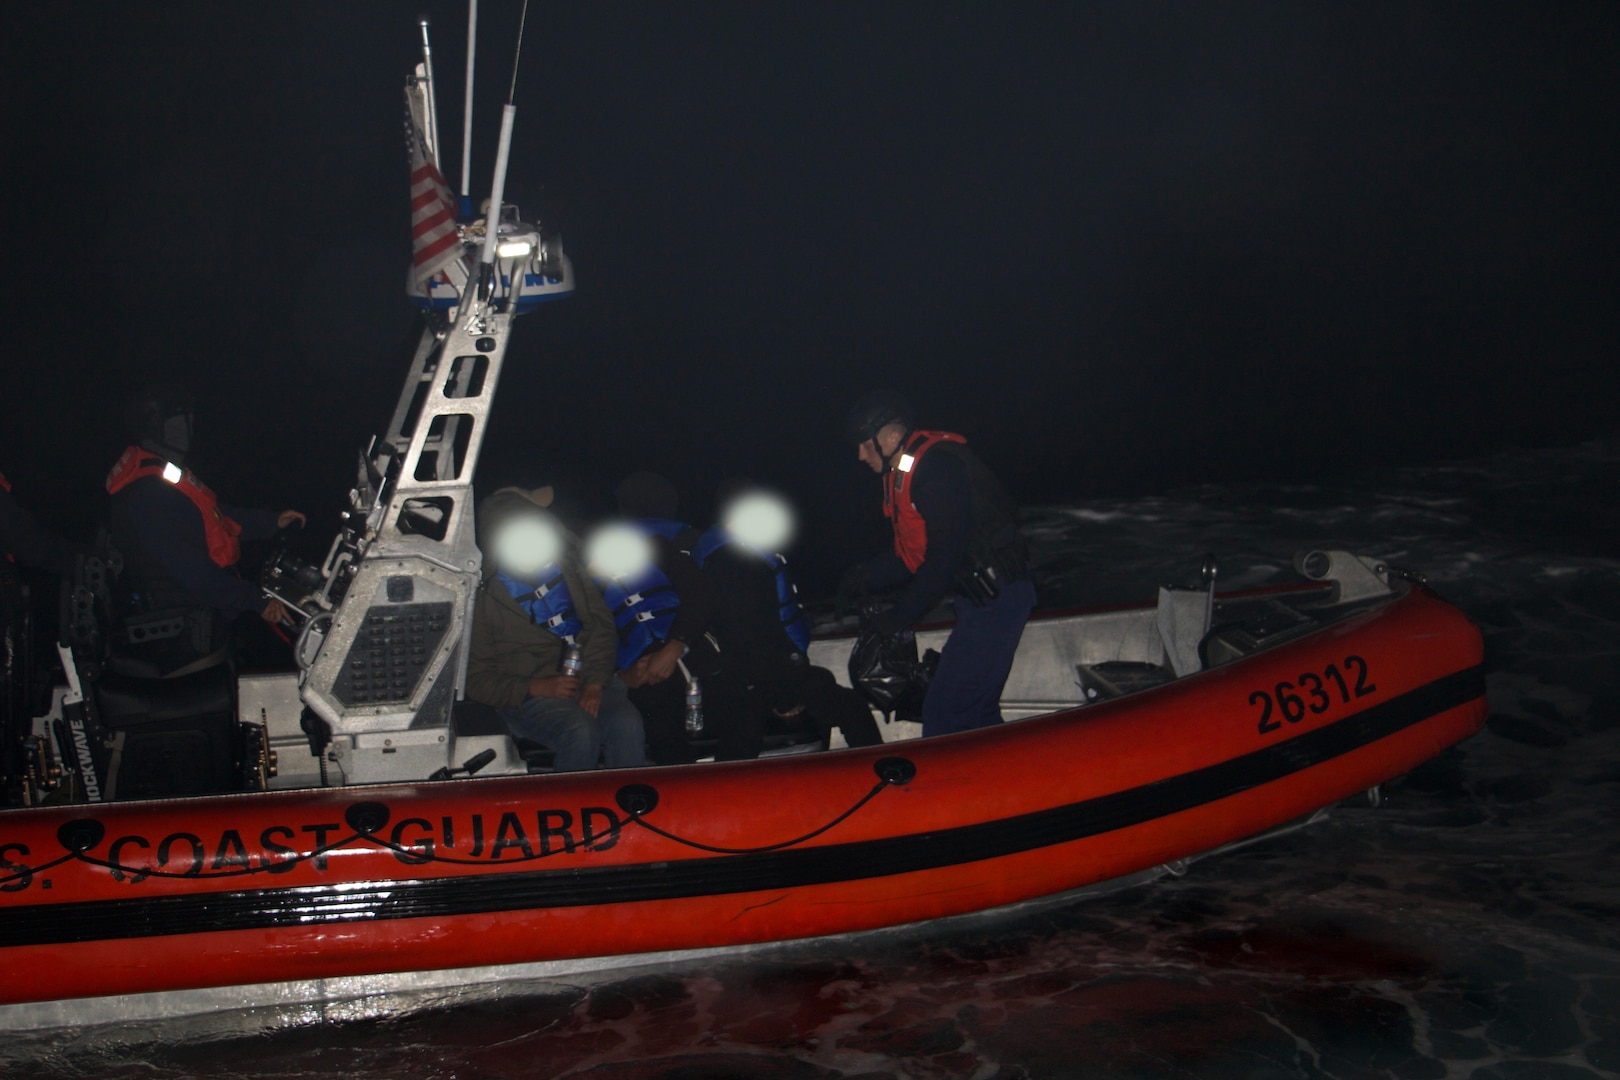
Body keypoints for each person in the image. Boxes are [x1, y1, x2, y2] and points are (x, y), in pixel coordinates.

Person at [839, 391, 1035, 736]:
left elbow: (944, 558)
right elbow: (913, 554)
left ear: (891, 437)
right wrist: (863, 576)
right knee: (977, 711)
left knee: (945, 711)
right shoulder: (904, 470)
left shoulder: (938, 470)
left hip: (998, 596)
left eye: (864, 445)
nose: (860, 455)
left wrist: (897, 618)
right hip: (979, 599)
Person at [106, 386, 305, 672]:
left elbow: (214, 519)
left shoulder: (162, 477)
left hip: (196, 616)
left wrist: (269, 522)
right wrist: (256, 601)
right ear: (158, 427)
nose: (188, 429)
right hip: (181, 634)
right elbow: (193, 572)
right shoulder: (151, 496)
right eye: (180, 421)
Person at [466, 487, 645, 772]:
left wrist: (595, 683)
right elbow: (475, 680)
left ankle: (633, 804)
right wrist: (535, 686)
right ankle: (574, 811)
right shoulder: (481, 597)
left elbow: (600, 626)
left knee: (627, 724)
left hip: (588, 679)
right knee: (581, 731)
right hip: (529, 695)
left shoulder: (567, 570)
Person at [695, 480, 882, 750]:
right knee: (852, 708)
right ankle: (878, 777)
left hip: (752, 674)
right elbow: (746, 638)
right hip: (756, 681)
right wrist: (781, 698)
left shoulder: (724, 555)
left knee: (824, 686)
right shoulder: (739, 564)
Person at [597, 471, 763, 764]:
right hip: (639, 671)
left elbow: (701, 596)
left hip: (691, 648)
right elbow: (588, 633)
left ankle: (724, 801)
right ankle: (688, 805)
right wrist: (622, 676)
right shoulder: (588, 567)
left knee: (745, 721)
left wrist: (675, 647)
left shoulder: (662, 546)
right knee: (664, 737)